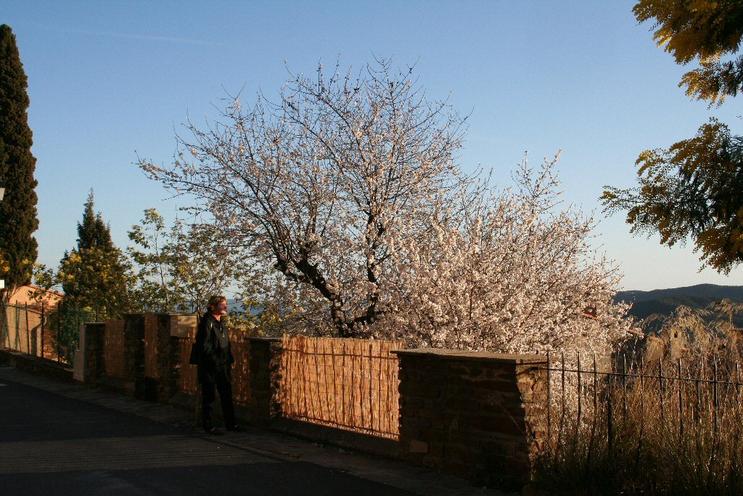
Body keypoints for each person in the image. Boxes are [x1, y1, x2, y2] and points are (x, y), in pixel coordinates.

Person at [192, 295, 239, 434]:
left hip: (223, 365)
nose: (225, 307)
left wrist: (229, 360)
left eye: (225, 304)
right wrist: (215, 360)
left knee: (226, 394)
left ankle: (231, 424)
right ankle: (209, 426)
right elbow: (204, 346)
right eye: (222, 305)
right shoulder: (207, 322)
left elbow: (225, 344)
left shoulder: (221, 323)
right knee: (209, 396)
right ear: (213, 306)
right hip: (210, 366)